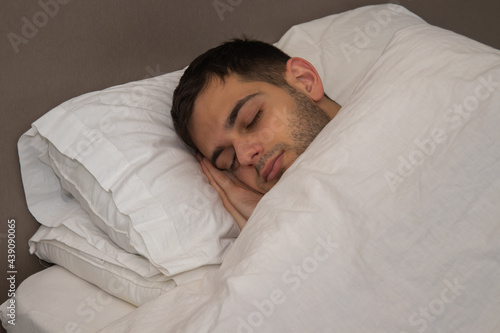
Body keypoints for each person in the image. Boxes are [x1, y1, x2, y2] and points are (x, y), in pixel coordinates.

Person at [171, 38, 341, 229]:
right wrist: (272, 228)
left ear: (305, 81)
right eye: (231, 160)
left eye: (253, 119)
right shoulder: (275, 234)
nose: (244, 156)